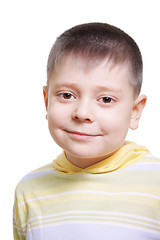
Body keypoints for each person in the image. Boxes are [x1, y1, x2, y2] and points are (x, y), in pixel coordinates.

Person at [13, 22, 160, 240]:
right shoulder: (28, 191)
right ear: (46, 102)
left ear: (134, 111)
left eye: (106, 99)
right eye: (66, 95)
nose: (82, 113)